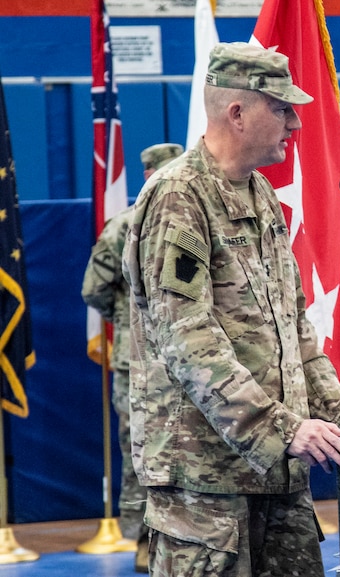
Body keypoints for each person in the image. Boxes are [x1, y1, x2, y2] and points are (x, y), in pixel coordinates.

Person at [122, 42, 340, 577]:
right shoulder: (178, 195)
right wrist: (281, 427)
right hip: (206, 483)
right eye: (281, 109)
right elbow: (186, 338)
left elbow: (295, 334)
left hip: (277, 471)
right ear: (237, 112)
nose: (295, 123)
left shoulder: (263, 198)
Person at [81, 141, 183, 573]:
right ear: (148, 175)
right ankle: (145, 539)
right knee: (143, 449)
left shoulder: (186, 218)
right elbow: (94, 288)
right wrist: (126, 320)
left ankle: (174, 537)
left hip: (183, 361)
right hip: (138, 363)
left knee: (172, 450)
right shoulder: (122, 227)